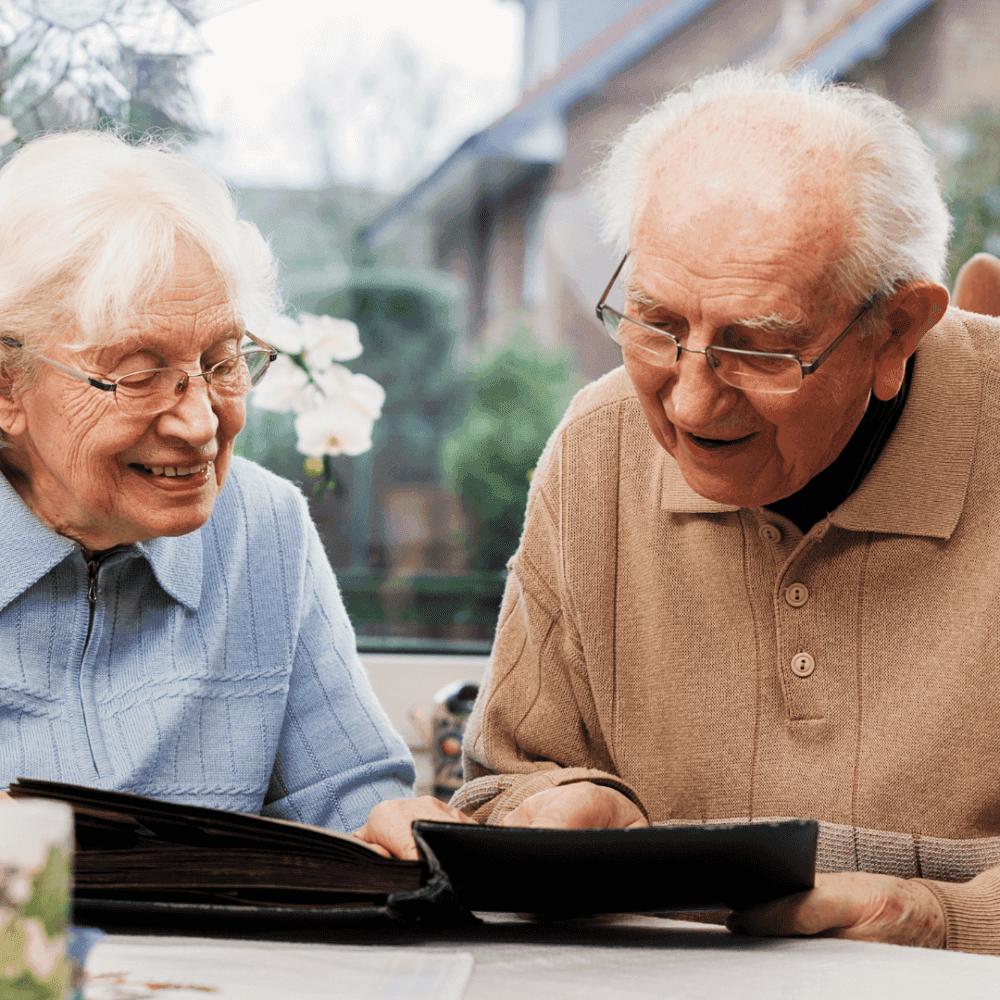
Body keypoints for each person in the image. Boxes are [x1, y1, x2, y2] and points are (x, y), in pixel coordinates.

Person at [356, 67, 1000, 954]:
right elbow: (504, 782)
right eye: (657, 323)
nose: (690, 404)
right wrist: (559, 808)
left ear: (896, 331)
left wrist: (934, 917)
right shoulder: (597, 448)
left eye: (756, 347)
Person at [0, 131, 414, 831]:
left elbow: (352, 795)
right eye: (138, 373)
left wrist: (396, 829)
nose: (199, 424)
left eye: (223, 361)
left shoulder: (263, 527)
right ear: (9, 388)